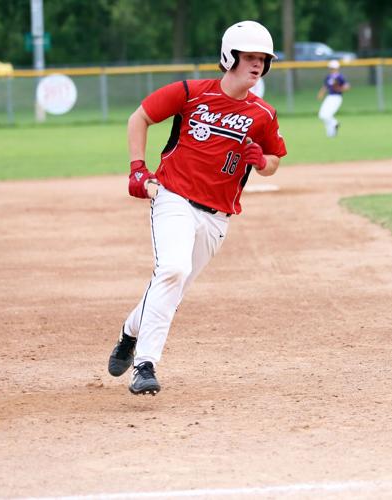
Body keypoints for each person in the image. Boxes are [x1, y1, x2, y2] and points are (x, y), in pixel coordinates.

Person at [107, 20, 287, 395]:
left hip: (217, 217)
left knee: (173, 287)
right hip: (172, 196)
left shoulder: (263, 114)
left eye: (263, 59)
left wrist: (260, 161)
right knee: (172, 268)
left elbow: (273, 162)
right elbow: (138, 117)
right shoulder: (190, 93)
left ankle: (129, 331)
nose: (257, 65)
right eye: (249, 57)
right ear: (229, 57)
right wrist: (138, 169)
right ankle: (145, 364)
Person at [317, 59, 350, 137]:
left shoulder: (340, 77)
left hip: (337, 97)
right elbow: (325, 86)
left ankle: (333, 127)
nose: (331, 69)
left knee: (327, 115)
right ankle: (331, 131)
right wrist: (321, 93)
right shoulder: (328, 77)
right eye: (331, 68)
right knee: (322, 115)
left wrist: (341, 89)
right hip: (329, 97)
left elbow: (347, 86)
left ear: (337, 68)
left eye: (333, 68)